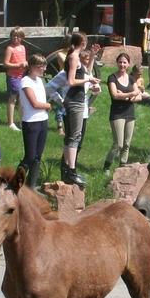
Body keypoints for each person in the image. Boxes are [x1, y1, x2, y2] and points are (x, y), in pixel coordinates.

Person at [60, 33, 98, 186]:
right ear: (82, 42)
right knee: (74, 136)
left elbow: (86, 73)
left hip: (78, 100)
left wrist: (93, 56)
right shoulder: (73, 57)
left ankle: (68, 170)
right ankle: (71, 171)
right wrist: (88, 79)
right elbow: (71, 81)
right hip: (74, 101)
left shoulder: (74, 56)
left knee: (73, 136)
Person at [104, 52, 143, 169]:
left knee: (127, 144)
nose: (122, 64)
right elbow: (115, 95)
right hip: (117, 114)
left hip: (130, 113)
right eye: (120, 62)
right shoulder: (112, 78)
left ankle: (122, 167)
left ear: (128, 64)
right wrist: (131, 94)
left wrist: (126, 96)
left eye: (124, 62)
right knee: (118, 144)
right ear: (117, 63)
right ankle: (107, 166)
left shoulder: (131, 78)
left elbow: (139, 96)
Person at [18, 54, 51, 183]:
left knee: (38, 156)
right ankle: (15, 183)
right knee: (30, 156)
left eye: (44, 66)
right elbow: (35, 103)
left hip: (42, 120)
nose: (44, 69)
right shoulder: (26, 81)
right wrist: (48, 105)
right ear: (31, 67)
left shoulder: (38, 80)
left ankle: (32, 185)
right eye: (40, 67)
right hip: (31, 122)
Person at [3, 28, 27, 130]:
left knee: (22, 99)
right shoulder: (10, 48)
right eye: (14, 36)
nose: (16, 38)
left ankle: (22, 121)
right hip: (13, 76)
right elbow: (6, 63)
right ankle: (11, 123)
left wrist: (25, 64)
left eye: (18, 36)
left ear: (22, 37)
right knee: (13, 99)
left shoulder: (22, 47)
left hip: (22, 76)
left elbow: (23, 60)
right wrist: (19, 65)